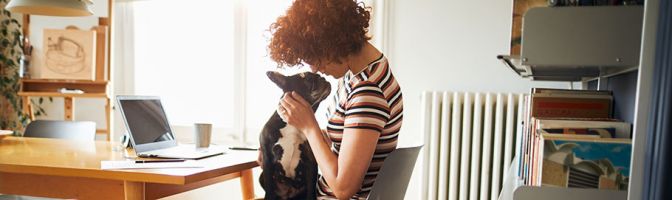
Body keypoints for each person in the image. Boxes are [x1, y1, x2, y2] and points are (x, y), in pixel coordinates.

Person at [267, 0, 403, 199]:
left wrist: (309, 127)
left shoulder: (368, 92)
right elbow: (348, 139)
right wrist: (275, 145)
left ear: (329, 42)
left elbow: (343, 189)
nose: (313, 68)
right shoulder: (364, 73)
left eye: (313, 56)